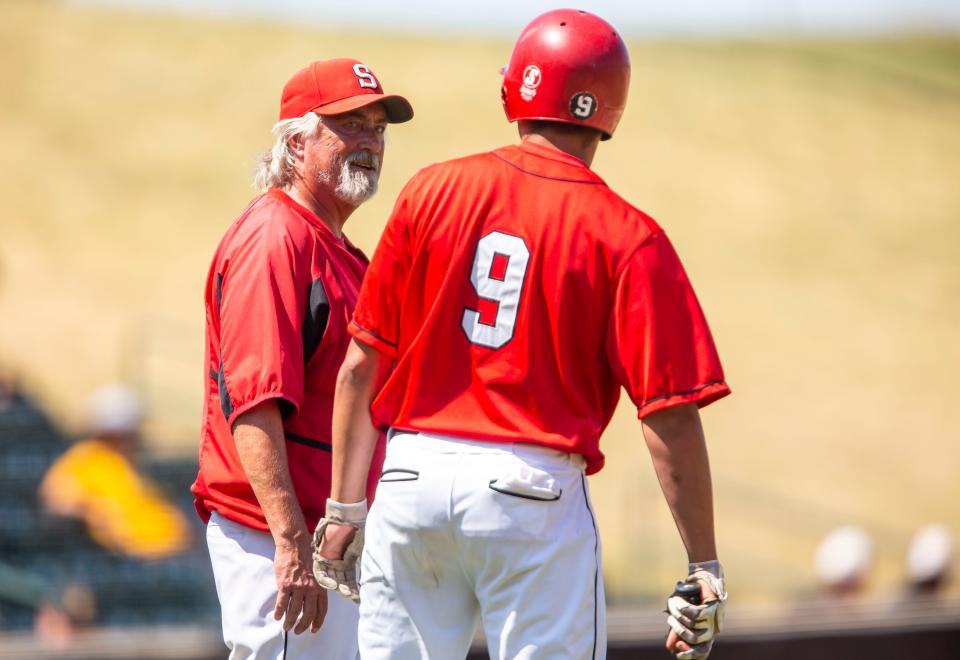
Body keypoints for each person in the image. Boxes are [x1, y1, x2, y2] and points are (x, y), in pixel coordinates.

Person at [314, 10, 729, 660]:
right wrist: (704, 564)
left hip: (411, 478)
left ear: (516, 89)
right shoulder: (629, 233)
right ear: (610, 110)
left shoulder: (430, 190)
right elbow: (669, 417)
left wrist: (344, 507)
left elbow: (362, 365)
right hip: (530, 492)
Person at [189, 59, 412, 659]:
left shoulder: (339, 249)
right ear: (296, 143)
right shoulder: (275, 238)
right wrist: (292, 547)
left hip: (331, 537)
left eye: (378, 127)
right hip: (282, 541)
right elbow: (254, 406)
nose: (370, 141)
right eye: (350, 125)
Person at [40, 384, 190, 559]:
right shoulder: (88, 458)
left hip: (165, 557)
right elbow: (56, 498)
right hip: (125, 562)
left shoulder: (125, 463)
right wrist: (94, 516)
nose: (139, 436)